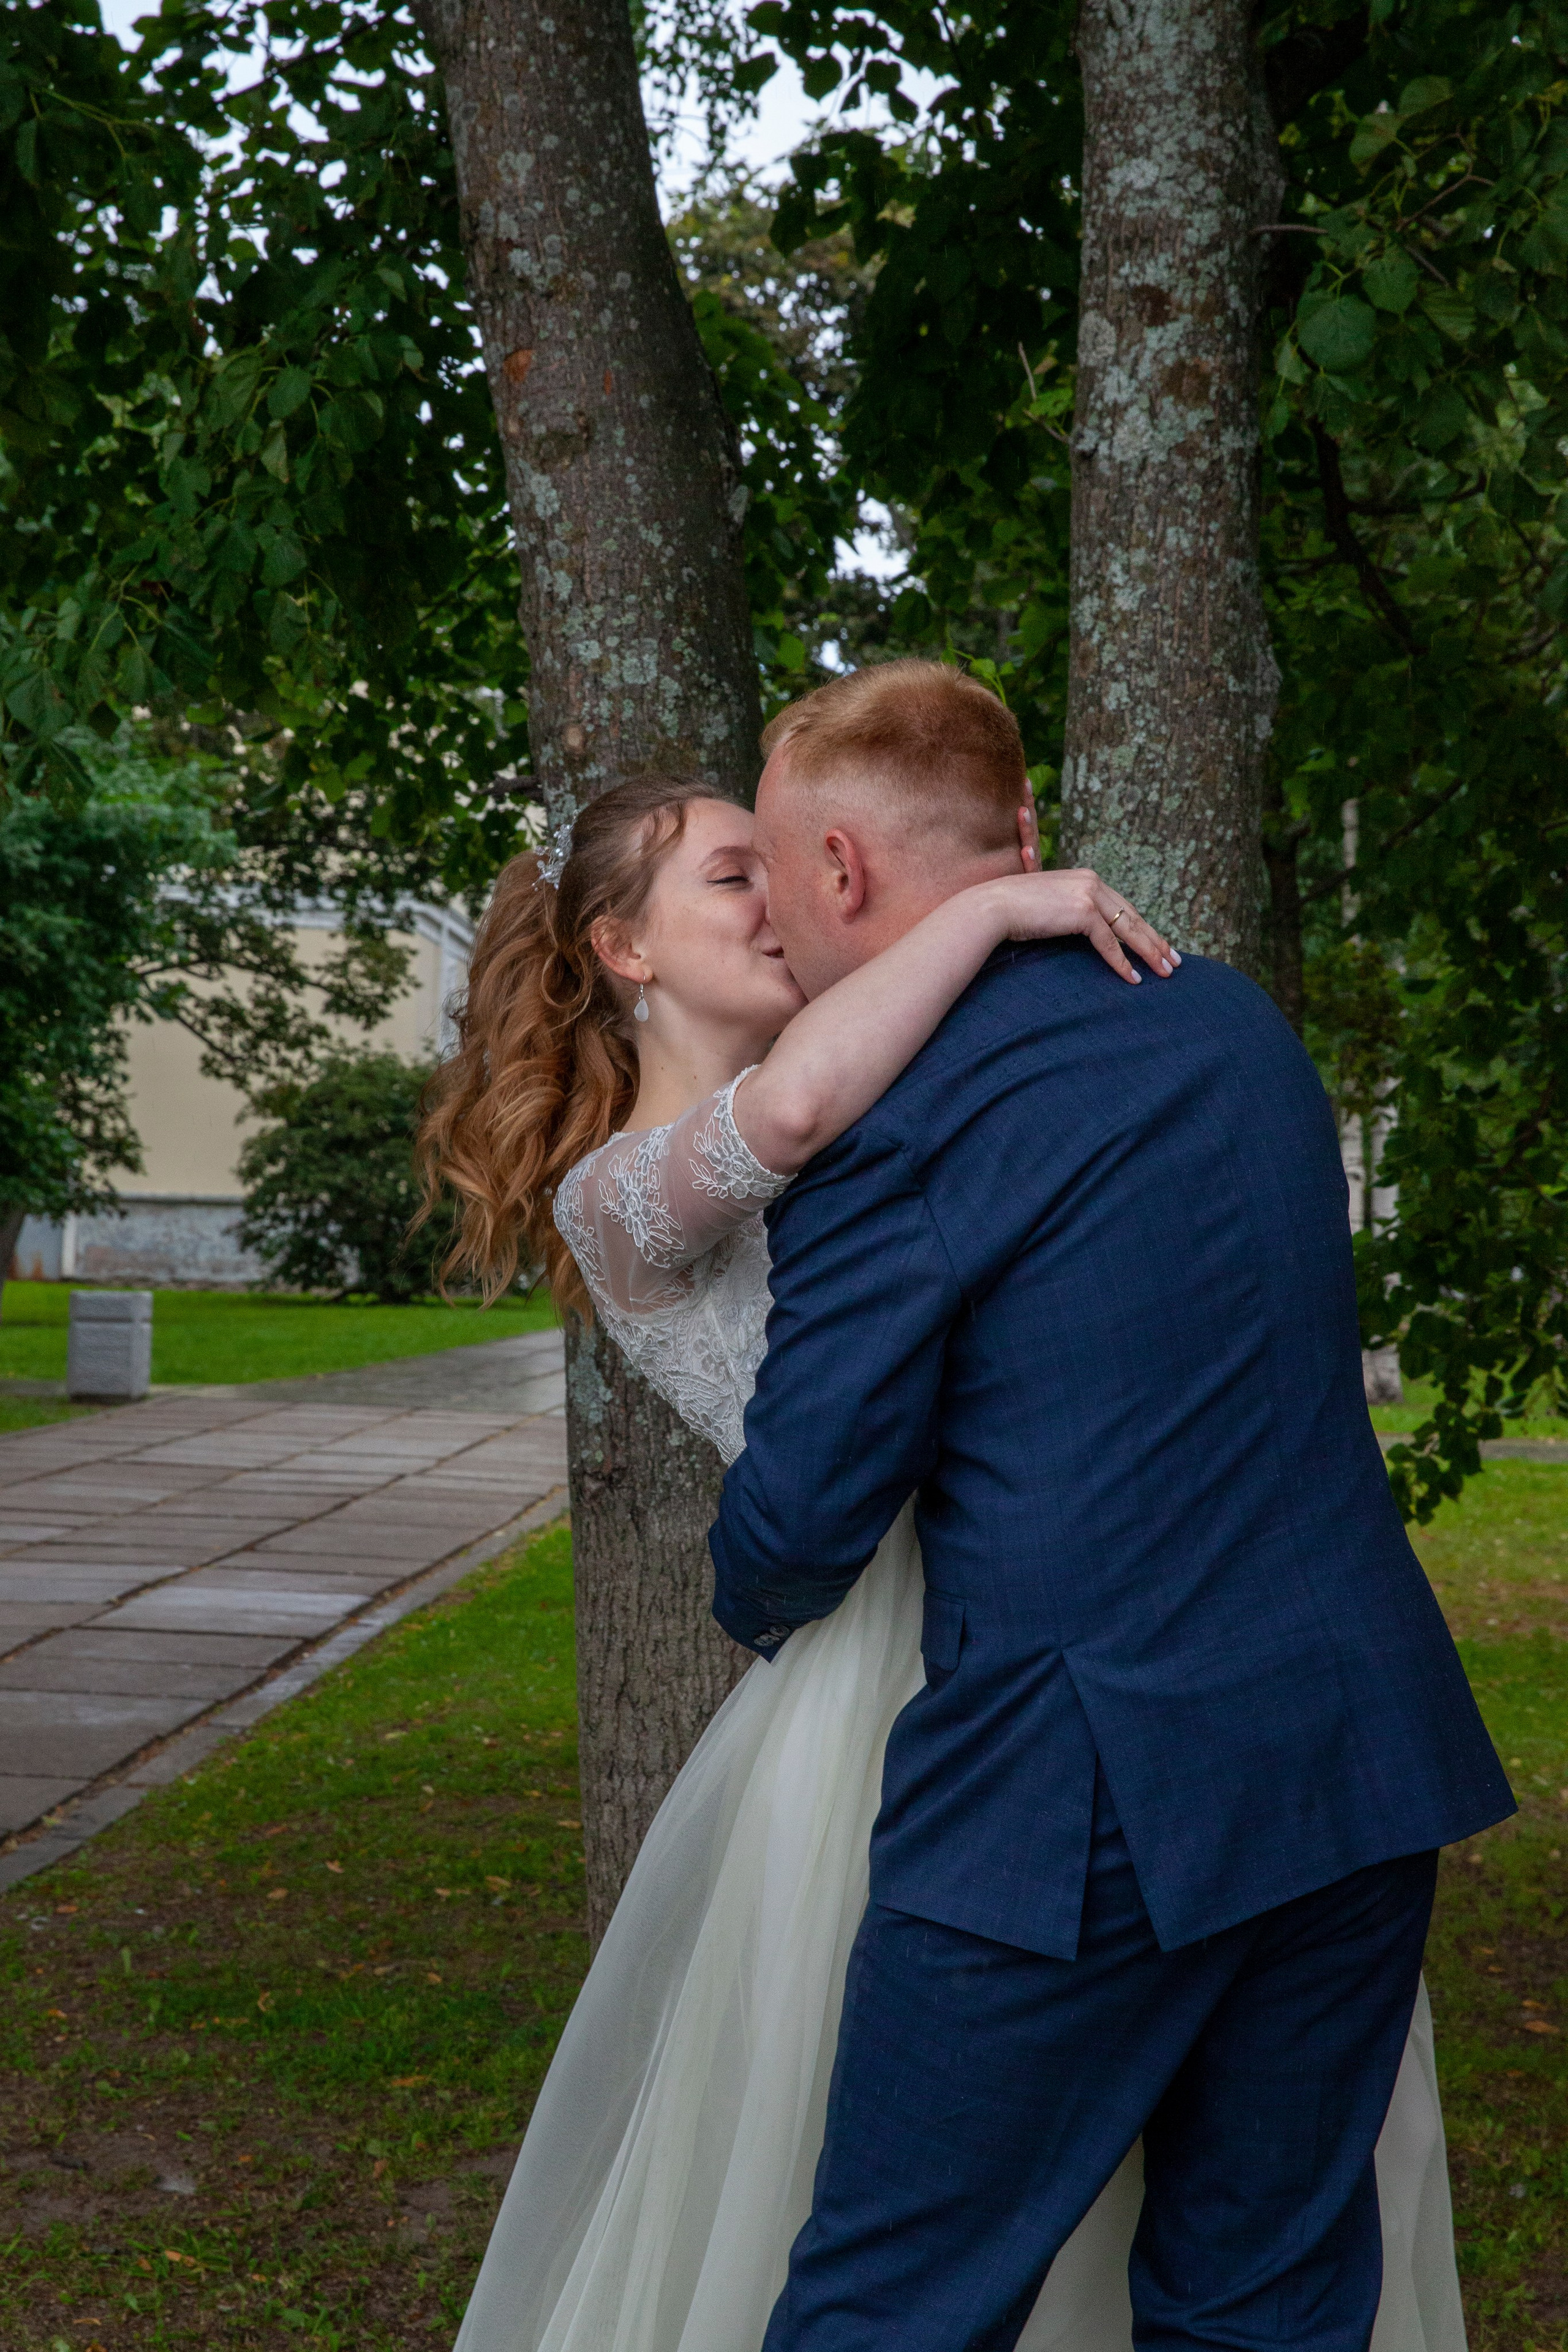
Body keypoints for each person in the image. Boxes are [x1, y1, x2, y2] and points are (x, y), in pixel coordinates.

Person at [417, 666, 1490, 2352]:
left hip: (1051, 1771)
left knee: (895, 2302)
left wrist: (760, 1600)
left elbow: (814, 1499)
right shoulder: (1228, 1022)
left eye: (767, 863)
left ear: (841, 870)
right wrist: (1011, 908)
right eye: (726, 877)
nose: (766, 901)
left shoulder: (889, 1124)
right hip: (1342, 1755)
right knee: (1266, 2298)